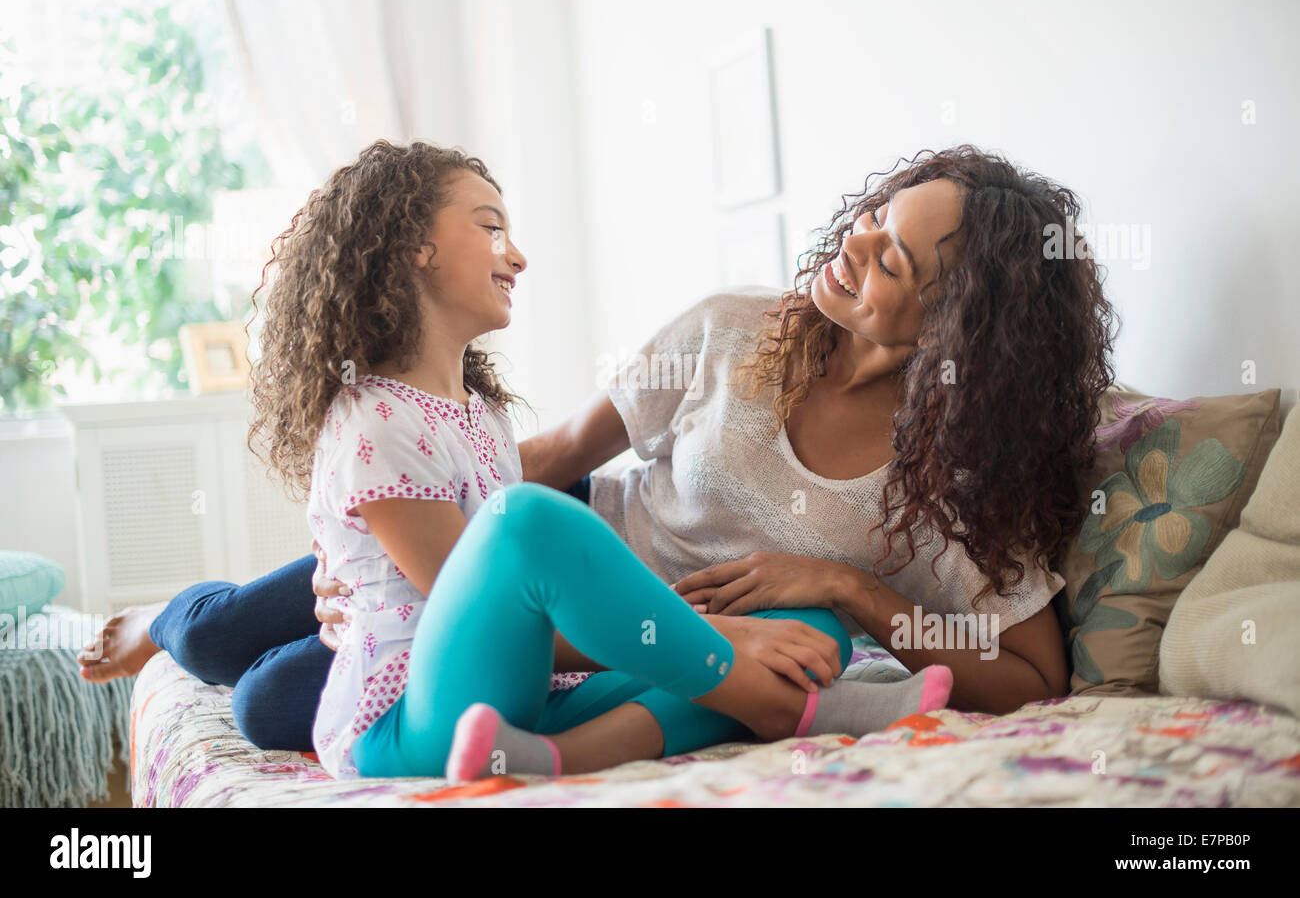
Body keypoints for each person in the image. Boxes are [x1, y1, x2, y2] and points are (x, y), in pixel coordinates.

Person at [84, 141, 1113, 770]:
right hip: (546, 545)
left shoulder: (951, 477)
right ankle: (156, 620)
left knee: (269, 705)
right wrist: (395, 543)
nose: (853, 241)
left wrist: (844, 585)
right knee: (226, 643)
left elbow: (1033, 678)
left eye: (890, 256)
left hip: (642, 645)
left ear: (956, 327)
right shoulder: (735, 327)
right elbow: (557, 453)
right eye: (875, 215)